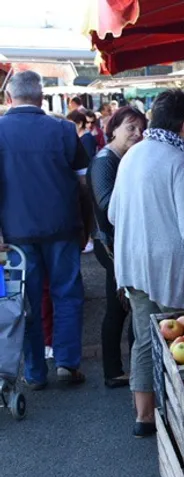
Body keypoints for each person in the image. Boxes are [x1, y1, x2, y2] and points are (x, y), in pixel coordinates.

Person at [110, 89, 184, 437]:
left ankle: (144, 417)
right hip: (170, 269)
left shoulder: (131, 155)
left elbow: (113, 212)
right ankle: (182, 420)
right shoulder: (179, 160)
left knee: (145, 339)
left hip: (132, 264)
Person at [0, 71, 91, 389]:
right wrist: (86, 225)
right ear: (41, 98)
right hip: (63, 227)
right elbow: (84, 182)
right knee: (67, 295)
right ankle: (67, 362)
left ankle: (35, 372)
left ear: (9, 98)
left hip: (14, 234)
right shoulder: (65, 130)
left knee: (26, 301)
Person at [89, 106, 146, 389]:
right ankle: (115, 371)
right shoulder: (105, 161)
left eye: (140, 129)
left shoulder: (124, 158)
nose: (137, 134)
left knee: (124, 306)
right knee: (120, 307)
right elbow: (106, 203)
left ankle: (126, 369)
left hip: (119, 243)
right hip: (110, 245)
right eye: (130, 128)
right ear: (113, 129)